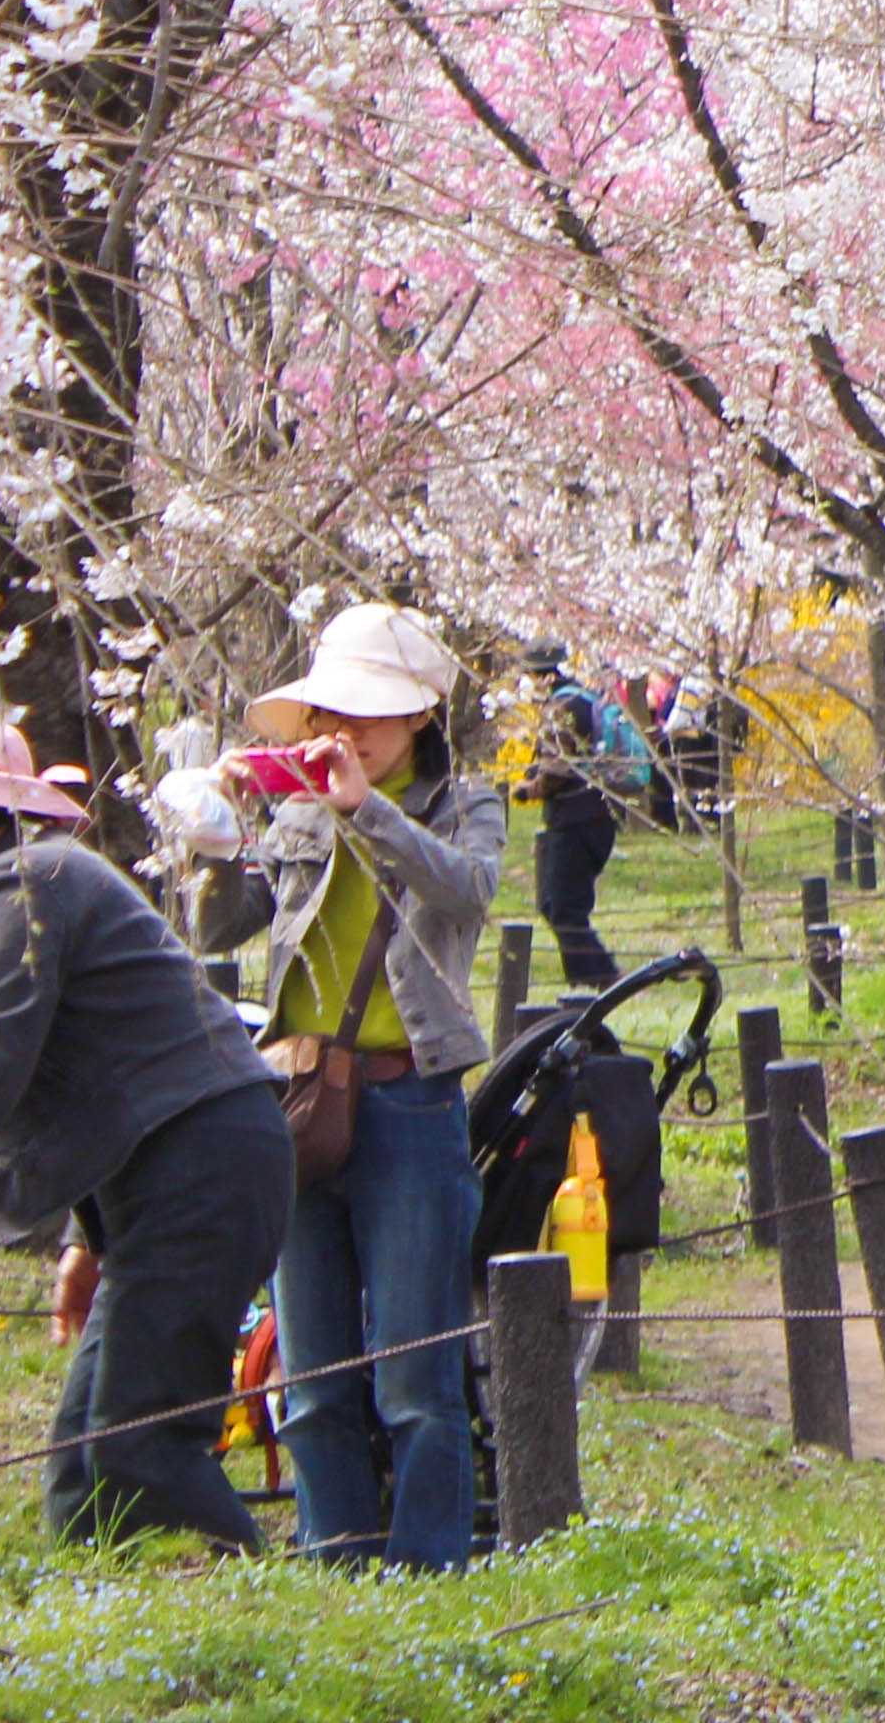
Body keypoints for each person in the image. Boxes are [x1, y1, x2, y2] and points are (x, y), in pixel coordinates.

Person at [0, 709, 294, 1548]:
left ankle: (259, 1601)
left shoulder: (26, 885)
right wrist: (90, 1245)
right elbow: (100, 1079)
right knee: (83, 1470)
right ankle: (114, 1623)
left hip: (207, 1170)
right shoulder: (35, 881)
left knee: (138, 1444)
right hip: (183, 1175)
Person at [196, 601, 507, 1569]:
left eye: (371, 716)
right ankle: (337, 1554)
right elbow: (218, 930)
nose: (348, 735)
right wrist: (218, 834)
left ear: (419, 715)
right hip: (297, 1095)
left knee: (416, 1370)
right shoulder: (294, 809)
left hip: (409, 1099)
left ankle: (427, 1567)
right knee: (317, 1367)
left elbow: (469, 890)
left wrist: (362, 811)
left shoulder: (463, 802)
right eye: (334, 714)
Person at [523, 652, 640, 988]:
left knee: (563, 907)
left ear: (541, 676)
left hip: (578, 818)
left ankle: (603, 980)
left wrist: (528, 790)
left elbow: (558, 768)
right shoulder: (582, 699)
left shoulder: (564, 708)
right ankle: (588, 979)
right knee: (553, 903)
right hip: (591, 816)